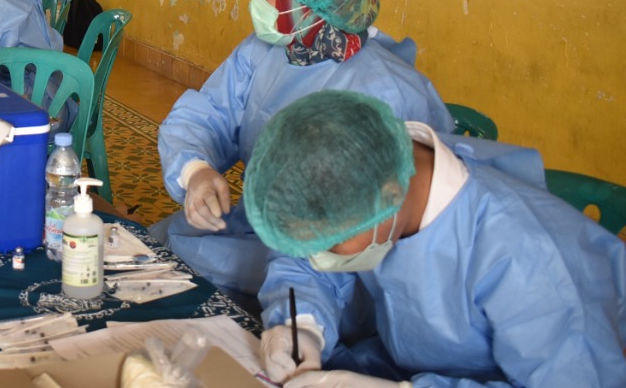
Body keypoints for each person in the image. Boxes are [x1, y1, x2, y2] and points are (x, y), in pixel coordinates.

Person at [245, 90, 626, 388]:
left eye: (328, 244)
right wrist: (305, 326)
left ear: (388, 197)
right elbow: (305, 259)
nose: (317, 256)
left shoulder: (526, 258)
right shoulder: (369, 182)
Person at [152, 0, 454, 299]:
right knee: (157, 249)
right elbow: (208, 112)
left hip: (330, 258)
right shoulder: (269, 49)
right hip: (253, 224)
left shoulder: (386, 92)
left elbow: (381, 235)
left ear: (309, 4)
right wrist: (195, 171)